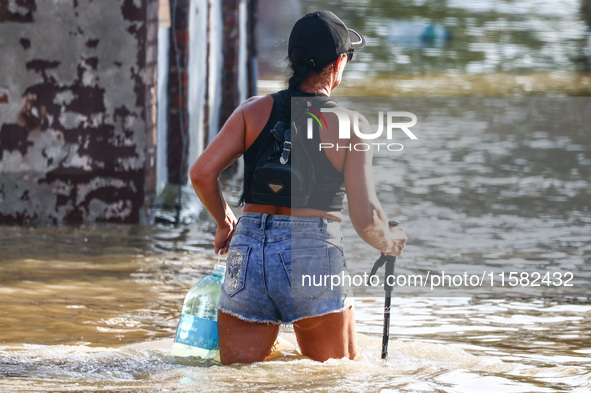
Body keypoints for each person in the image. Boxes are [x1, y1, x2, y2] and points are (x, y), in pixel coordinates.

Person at [190, 10, 407, 365]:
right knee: (336, 379)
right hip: (312, 255)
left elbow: (201, 173)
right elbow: (366, 218)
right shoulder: (351, 125)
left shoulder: (251, 111)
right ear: (338, 63)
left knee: (239, 382)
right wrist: (390, 241)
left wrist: (225, 221)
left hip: (247, 256)